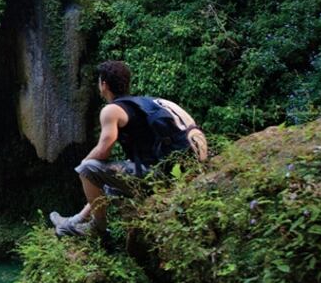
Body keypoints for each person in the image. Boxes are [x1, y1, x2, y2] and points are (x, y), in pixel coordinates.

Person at [50, 60, 208, 237]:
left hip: (162, 176)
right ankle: (73, 222)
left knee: (87, 169)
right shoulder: (146, 103)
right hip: (184, 169)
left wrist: (83, 164)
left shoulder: (111, 110)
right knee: (110, 183)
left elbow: (103, 150)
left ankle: (98, 229)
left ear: (103, 84)